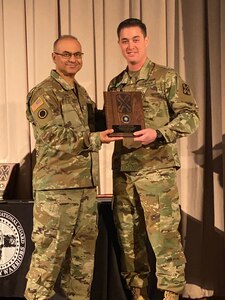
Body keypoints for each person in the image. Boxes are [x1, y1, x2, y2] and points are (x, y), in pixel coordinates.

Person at [107, 18, 200, 300]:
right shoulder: (116, 83)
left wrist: (159, 133)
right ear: (119, 45)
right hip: (124, 172)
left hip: (156, 172)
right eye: (125, 41)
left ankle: (171, 294)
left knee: (164, 239)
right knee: (129, 238)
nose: (130, 46)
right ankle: (138, 293)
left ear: (146, 41)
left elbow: (190, 116)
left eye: (136, 39)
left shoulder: (166, 78)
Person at [25, 35, 122, 300]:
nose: (73, 59)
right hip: (57, 192)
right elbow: (53, 136)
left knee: (81, 265)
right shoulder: (44, 93)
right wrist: (95, 138)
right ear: (54, 57)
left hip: (85, 190)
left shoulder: (81, 93)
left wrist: (122, 116)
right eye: (66, 54)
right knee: (47, 260)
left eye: (78, 55)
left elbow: (94, 122)